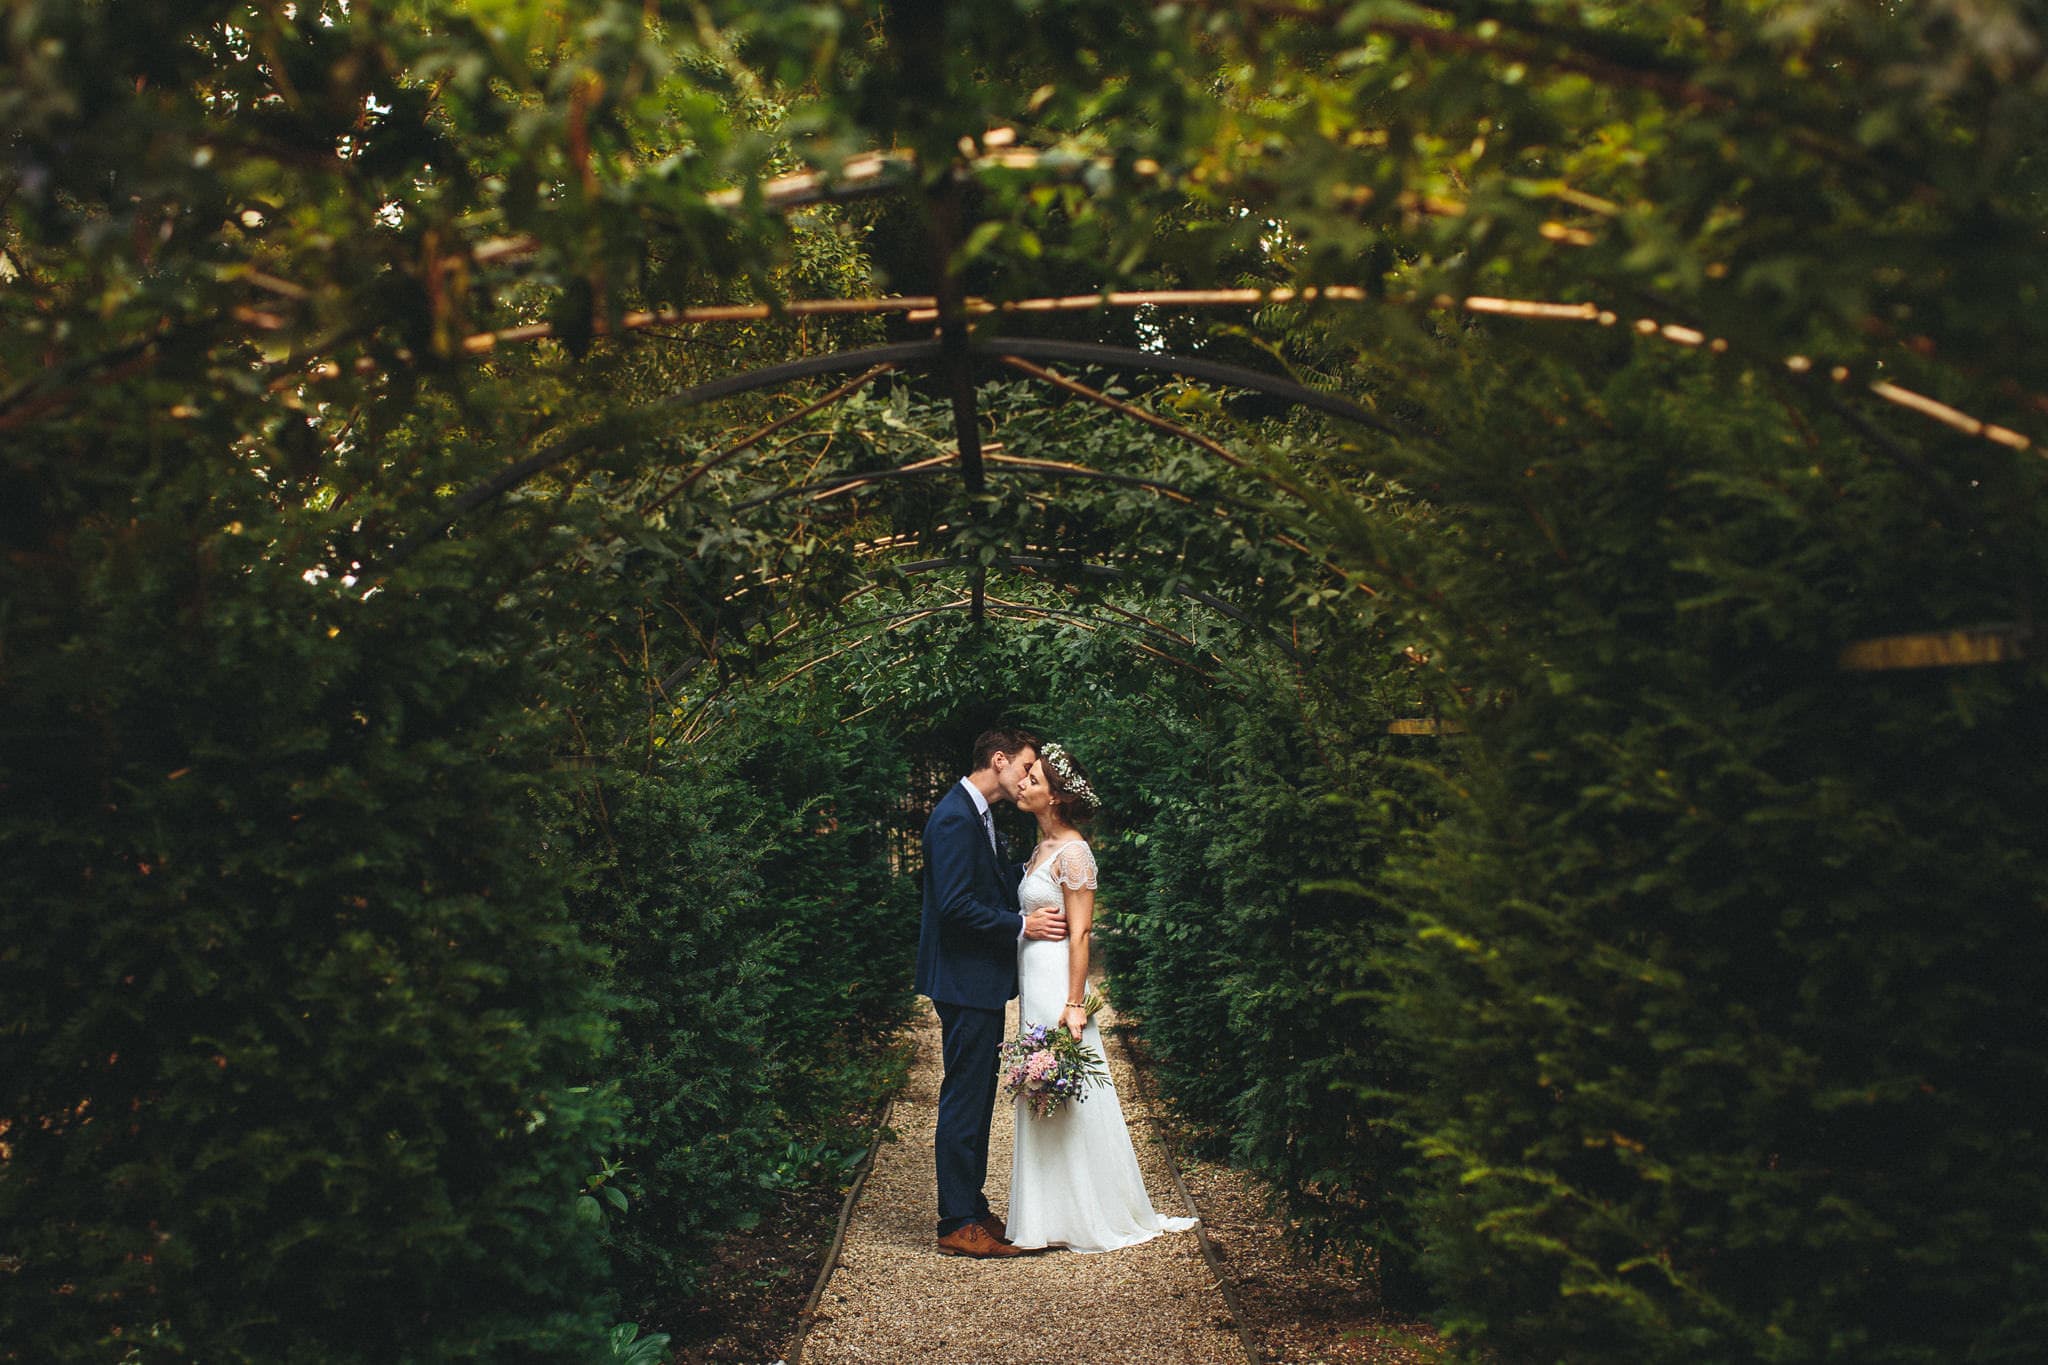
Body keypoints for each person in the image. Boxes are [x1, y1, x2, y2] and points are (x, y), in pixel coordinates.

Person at [1005, 740, 1199, 1252]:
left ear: (1057, 798)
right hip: (1034, 981)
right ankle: (1048, 1214)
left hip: (1058, 987)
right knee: (1042, 1086)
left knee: (1069, 1086)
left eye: (1034, 781)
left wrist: (1074, 1003)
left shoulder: (1073, 851)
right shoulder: (1041, 848)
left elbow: (1082, 932)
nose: (1023, 785)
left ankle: (1094, 1212)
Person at [915, 727, 1068, 1259]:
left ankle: (972, 1207)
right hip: (962, 978)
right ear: (998, 760)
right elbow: (955, 906)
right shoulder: (956, 816)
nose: (1029, 778)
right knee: (964, 1096)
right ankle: (956, 1220)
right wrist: (1022, 925)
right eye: (1026, 767)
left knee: (977, 1094)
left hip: (973, 977)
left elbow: (983, 882)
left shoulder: (976, 814)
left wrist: (1036, 870)